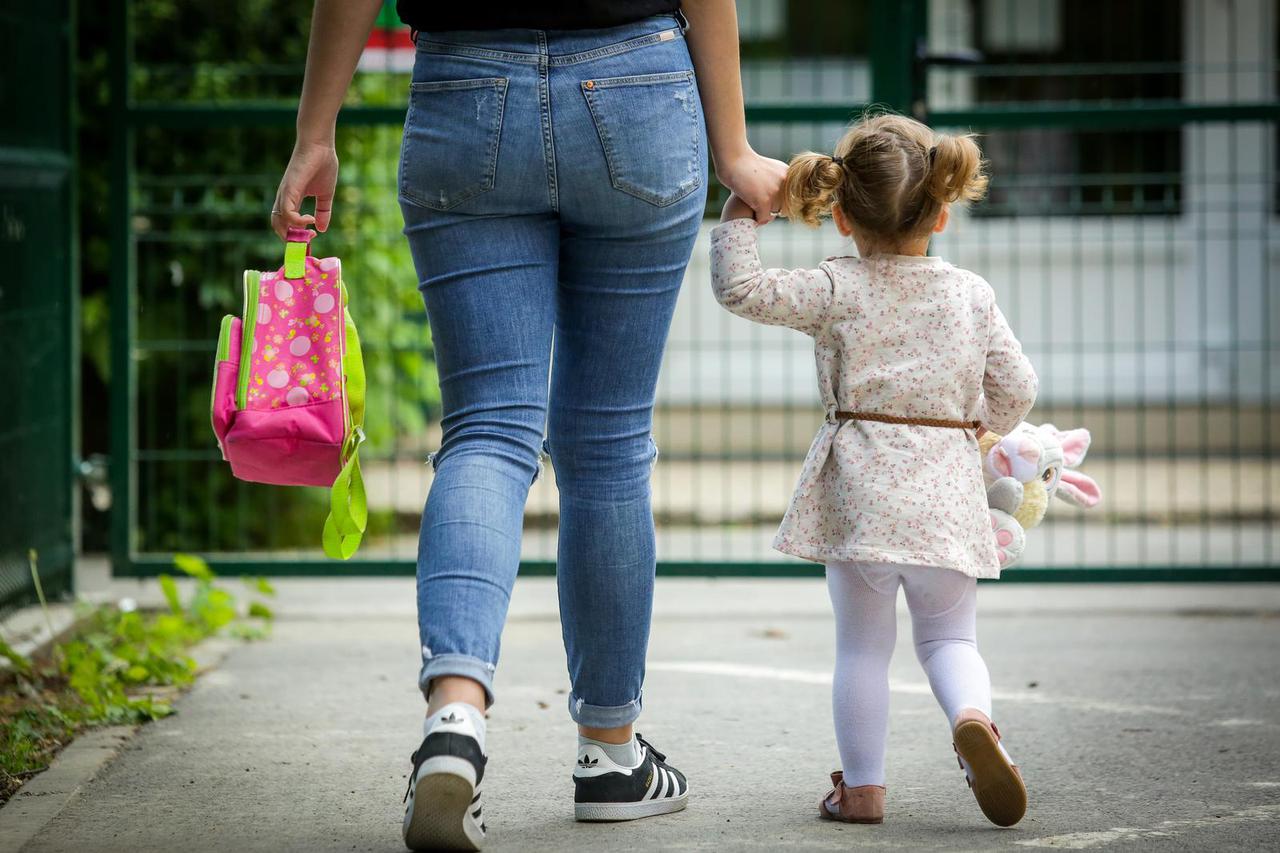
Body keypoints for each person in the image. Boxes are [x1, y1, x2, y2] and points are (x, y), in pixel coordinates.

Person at [271, 1, 787, 849]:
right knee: (609, 446)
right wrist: (733, 149)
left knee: (486, 432)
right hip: (638, 86)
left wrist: (315, 133)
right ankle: (613, 755)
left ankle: (455, 717)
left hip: (465, 93)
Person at [709, 113, 1039, 828]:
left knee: (862, 647)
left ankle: (862, 789)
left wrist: (741, 207)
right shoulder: (970, 295)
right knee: (951, 639)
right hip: (946, 498)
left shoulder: (836, 287)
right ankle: (973, 717)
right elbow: (1019, 388)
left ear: (840, 218)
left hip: (859, 496)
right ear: (942, 213)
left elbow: (742, 290)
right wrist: (984, 428)